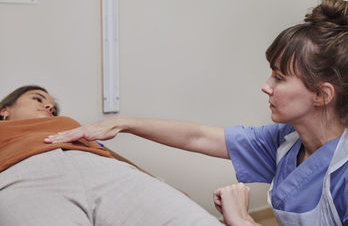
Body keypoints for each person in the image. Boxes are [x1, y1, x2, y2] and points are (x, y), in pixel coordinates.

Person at [45, 0, 348, 225]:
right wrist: (122, 124)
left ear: (322, 94)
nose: (266, 86)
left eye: (279, 77)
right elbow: (200, 136)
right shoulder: (289, 141)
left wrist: (242, 221)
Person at [0, 85, 223, 226]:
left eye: (52, 106)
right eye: (38, 99)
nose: (49, 105)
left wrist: (162, 185)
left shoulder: (71, 128)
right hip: (24, 177)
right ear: (5, 110)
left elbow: (112, 157)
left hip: (101, 169)